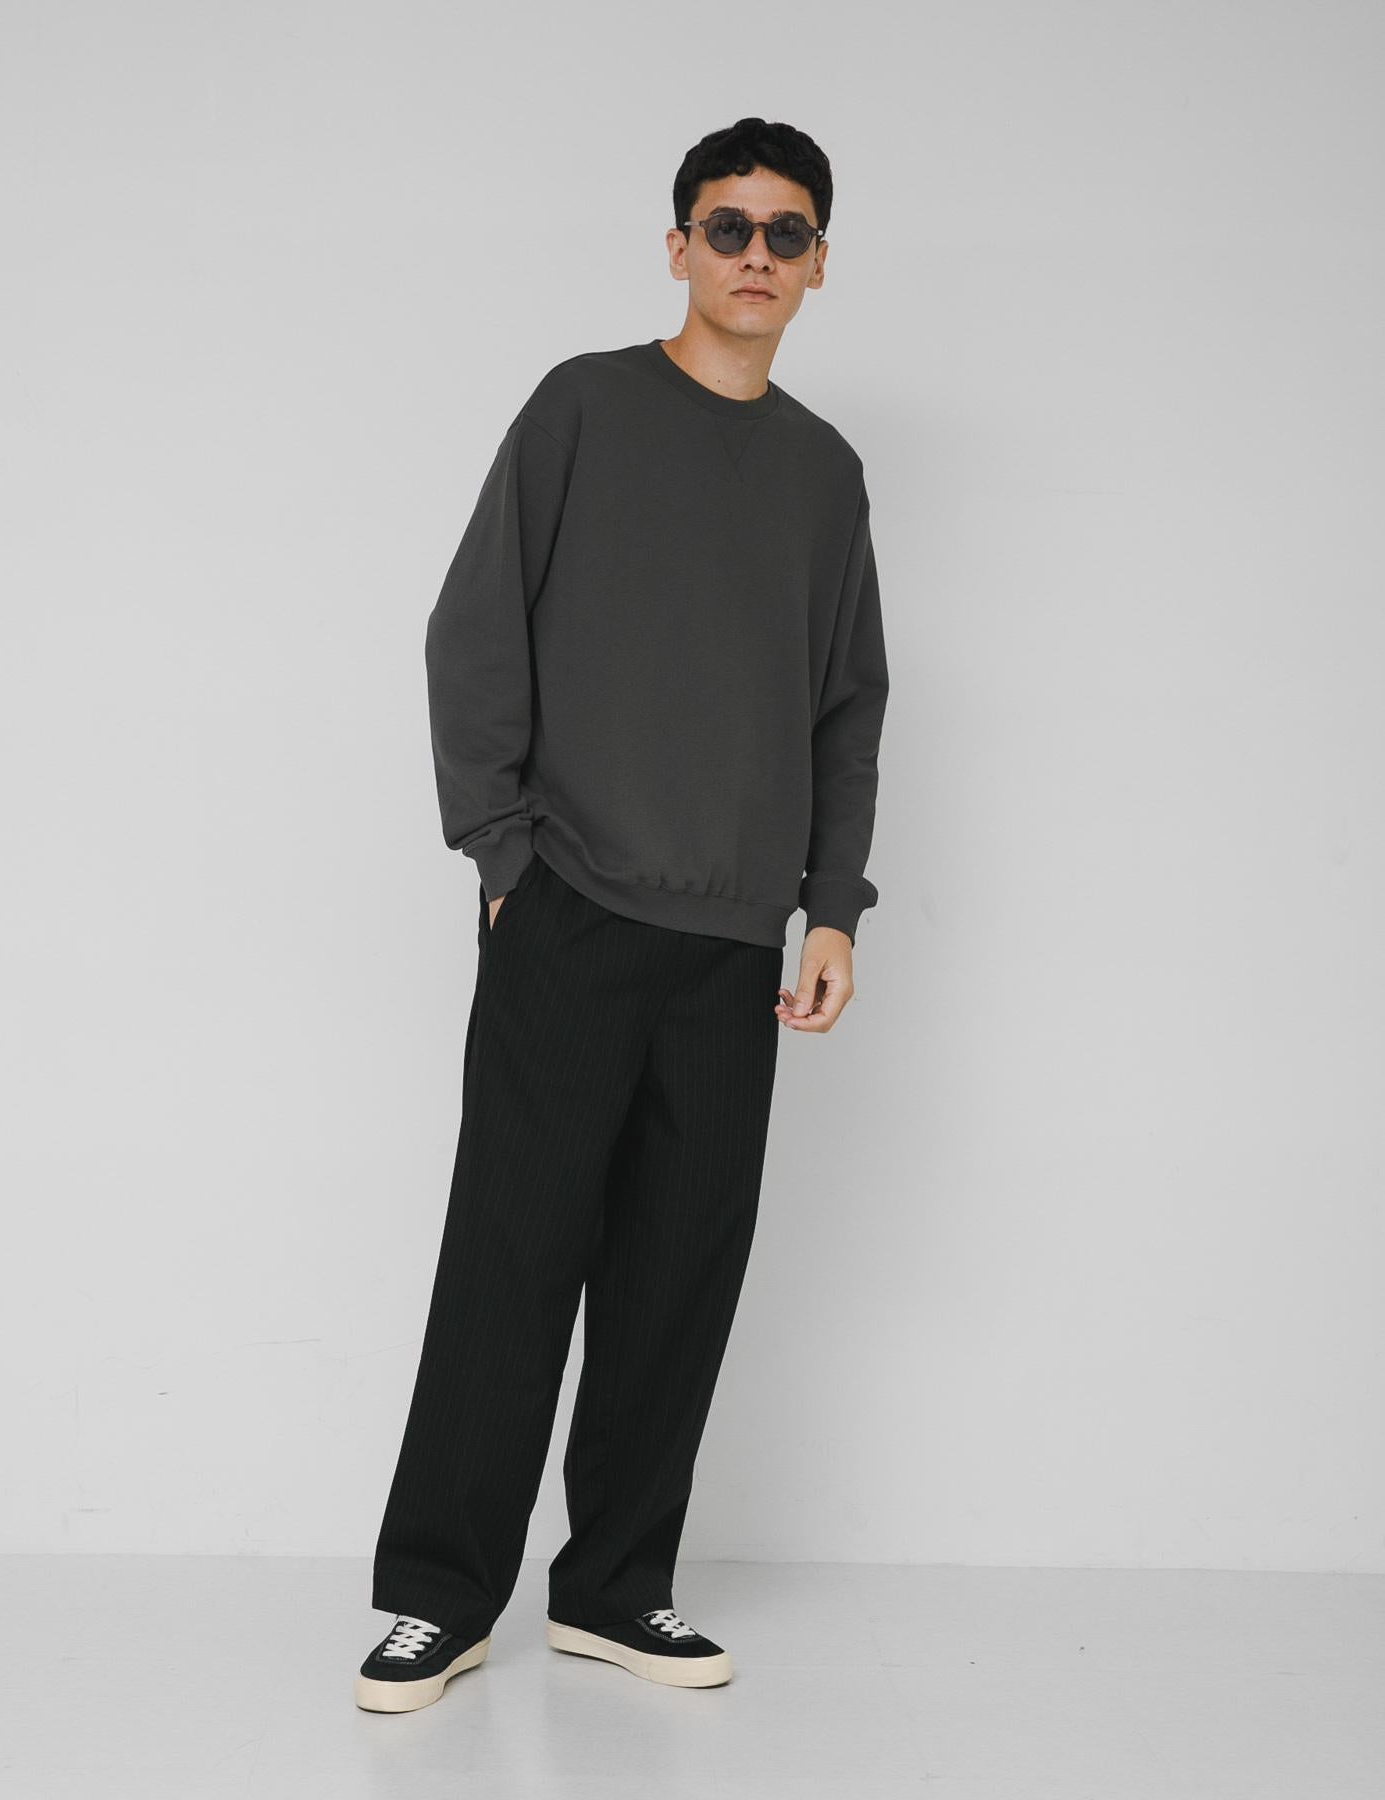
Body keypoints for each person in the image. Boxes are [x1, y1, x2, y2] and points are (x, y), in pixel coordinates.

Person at [356, 116, 889, 1713]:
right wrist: (503, 855)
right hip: (571, 904)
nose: (754, 255)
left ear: (818, 264)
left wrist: (832, 908)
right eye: (727, 226)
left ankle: (614, 1590)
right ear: (677, 247)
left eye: (785, 233)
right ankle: (439, 1598)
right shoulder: (583, 408)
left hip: (734, 941)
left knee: (678, 1275)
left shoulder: (825, 474)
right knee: (511, 1260)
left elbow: (846, 707)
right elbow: (472, 633)